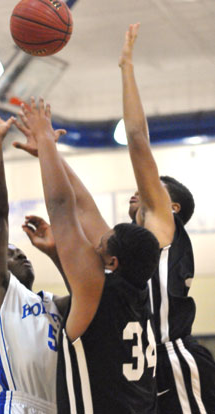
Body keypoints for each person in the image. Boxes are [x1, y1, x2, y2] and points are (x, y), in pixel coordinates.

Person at [15, 96, 161, 413]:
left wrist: (44, 140)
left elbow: (63, 208)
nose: (92, 243)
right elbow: (84, 207)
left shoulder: (98, 290)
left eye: (101, 243)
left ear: (112, 262)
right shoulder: (137, 292)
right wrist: (49, 152)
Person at [118, 23, 215, 413]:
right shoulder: (130, 245)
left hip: (174, 359)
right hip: (144, 366)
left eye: (155, 188)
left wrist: (126, 65)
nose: (140, 188)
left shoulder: (165, 230)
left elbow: (138, 140)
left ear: (170, 208)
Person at [0, 94, 69, 414]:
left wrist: (56, 254)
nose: (21, 256)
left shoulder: (52, 303)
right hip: (15, 407)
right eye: (10, 254)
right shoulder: (0, 294)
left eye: (20, 253)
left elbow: (89, 293)